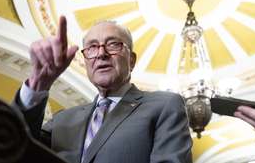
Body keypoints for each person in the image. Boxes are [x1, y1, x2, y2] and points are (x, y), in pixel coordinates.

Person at [13, 16, 192, 163]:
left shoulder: (164, 105)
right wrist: (38, 85)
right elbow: (13, 145)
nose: (101, 53)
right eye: (92, 47)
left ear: (131, 60)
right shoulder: (62, 120)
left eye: (113, 44)